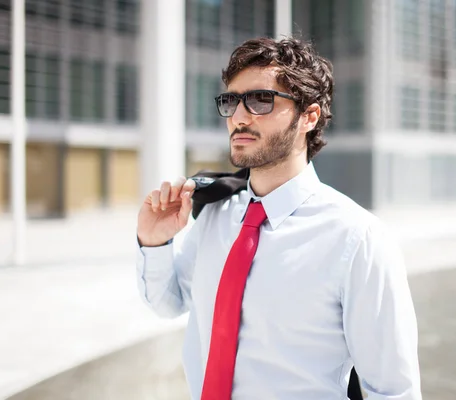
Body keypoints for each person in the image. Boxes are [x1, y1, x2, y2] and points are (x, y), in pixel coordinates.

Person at [136, 37, 421, 400]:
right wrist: (155, 242)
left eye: (259, 100)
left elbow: (393, 391)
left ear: (309, 116)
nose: (238, 117)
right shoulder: (216, 214)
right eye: (231, 101)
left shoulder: (357, 239)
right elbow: (170, 302)